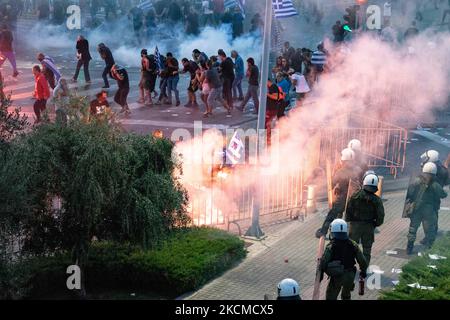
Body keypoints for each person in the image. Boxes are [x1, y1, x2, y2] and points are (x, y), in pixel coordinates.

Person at [315, 148, 362, 238]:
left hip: (343, 197)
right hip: (356, 197)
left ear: (343, 160)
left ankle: (323, 232)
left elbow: (331, 184)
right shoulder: (358, 169)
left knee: (332, 214)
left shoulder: (341, 172)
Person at [320, 219, 368, 300]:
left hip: (337, 276)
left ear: (333, 232)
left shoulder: (331, 246)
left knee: (331, 296)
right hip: (350, 276)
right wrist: (363, 272)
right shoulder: (353, 244)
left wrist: (320, 275)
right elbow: (362, 261)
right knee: (346, 295)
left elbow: (324, 263)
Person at [406, 162, 447, 254]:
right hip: (429, 211)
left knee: (413, 229)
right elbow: (443, 194)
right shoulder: (435, 184)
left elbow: (410, 192)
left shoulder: (417, 181)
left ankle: (409, 247)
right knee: (429, 230)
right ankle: (429, 249)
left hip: (416, 209)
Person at [345, 173, 385, 265]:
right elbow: (380, 215)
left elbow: (348, 210)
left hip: (355, 226)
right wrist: (376, 224)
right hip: (369, 226)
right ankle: (364, 268)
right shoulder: (377, 200)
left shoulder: (355, 196)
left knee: (352, 247)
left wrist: (348, 220)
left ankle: (349, 265)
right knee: (367, 249)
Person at [266, 78, 285, 147]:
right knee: (269, 124)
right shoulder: (271, 87)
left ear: (268, 81)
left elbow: (276, 97)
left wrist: (267, 94)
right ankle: (269, 140)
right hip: (272, 108)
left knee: (268, 124)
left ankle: (269, 141)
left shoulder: (273, 87)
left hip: (272, 109)